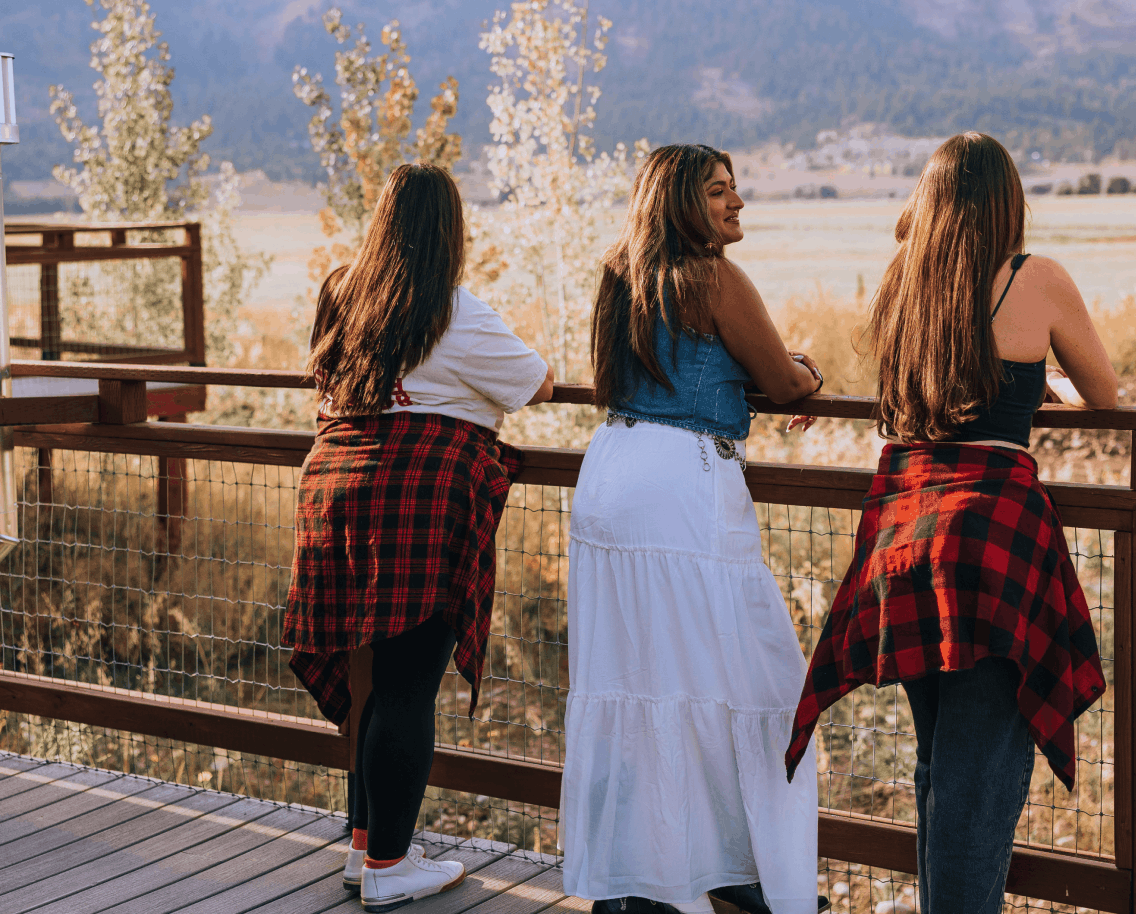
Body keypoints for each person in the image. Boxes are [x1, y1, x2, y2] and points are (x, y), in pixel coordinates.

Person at [784, 132, 1114, 914]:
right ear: (1008, 202)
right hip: (989, 546)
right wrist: (1043, 384)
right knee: (976, 783)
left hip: (901, 536)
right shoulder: (1035, 278)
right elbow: (1104, 390)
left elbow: (910, 404)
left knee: (936, 769)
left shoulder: (906, 281)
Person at [562, 144, 827, 914]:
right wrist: (802, 372)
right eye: (718, 192)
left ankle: (637, 879)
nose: (736, 203)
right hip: (682, 486)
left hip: (611, 471)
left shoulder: (620, 274)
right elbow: (780, 379)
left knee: (633, 676)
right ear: (681, 201)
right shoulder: (713, 278)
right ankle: (746, 875)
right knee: (756, 680)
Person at [284, 164, 554, 914]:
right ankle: (390, 865)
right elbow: (539, 383)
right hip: (417, 497)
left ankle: (364, 848)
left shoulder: (343, 291)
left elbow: (330, 381)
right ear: (450, 234)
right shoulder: (456, 311)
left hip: (333, 488)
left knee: (375, 681)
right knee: (407, 687)